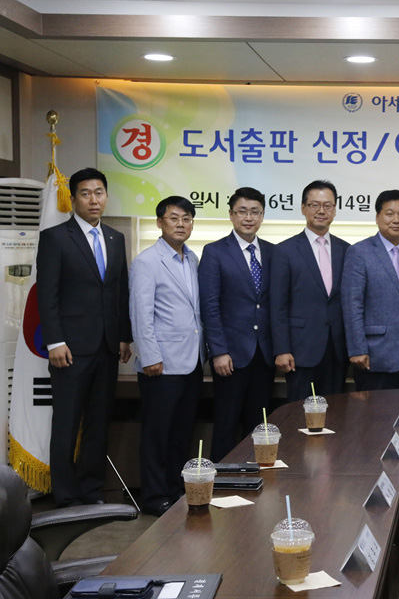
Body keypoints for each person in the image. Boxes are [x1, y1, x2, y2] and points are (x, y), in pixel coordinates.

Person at [36, 167, 132, 507]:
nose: (94, 200)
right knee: (66, 424)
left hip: (107, 347)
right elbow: (47, 295)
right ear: (74, 198)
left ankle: (92, 492)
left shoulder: (115, 238)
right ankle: (65, 496)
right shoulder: (56, 237)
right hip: (70, 349)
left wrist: (124, 336)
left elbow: (120, 291)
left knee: (98, 423)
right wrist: (55, 341)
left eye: (99, 192)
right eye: (86, 193)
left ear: (106, 196)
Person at [130, 196, 205, 516]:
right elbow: (140, 314)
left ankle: (175, 491)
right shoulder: (147, 261)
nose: (181, 224)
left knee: (181, 433)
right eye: (174, 218)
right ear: (160, 222)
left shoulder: (193, 259)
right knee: (157, 434)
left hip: (191, 361)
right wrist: (149, 356)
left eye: (187, 219)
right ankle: (154, 496)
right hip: (160, 364)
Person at [198, 187, 274, 462]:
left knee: (259, 426)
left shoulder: (273, 252)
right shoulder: (215, 252)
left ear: (262, 215)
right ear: (231, 215)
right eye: (242, 211)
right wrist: (218, 351)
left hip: (264, 355)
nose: (248, 218)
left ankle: (256, 477)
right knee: (226, 424)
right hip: (229, 356)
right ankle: (222, 480)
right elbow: (209, 306)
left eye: (255, 212)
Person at [342, 189, 399, 391]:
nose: (396, 220)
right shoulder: (359, 252)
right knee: (375, 411)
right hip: (375, 355)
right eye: (389, 213)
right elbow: (352, 305)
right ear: (377, 217)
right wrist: (357, 349)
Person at [271, 180, 349, 402]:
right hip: (300, 352)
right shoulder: (284, 251)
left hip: (337, 351)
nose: (321, 211)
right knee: (300, 413)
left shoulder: (347, 250)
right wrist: (282, 349)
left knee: (336, 413)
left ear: (335, 209)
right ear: (303, 208)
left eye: (327, 205)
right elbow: (278, 306)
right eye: (314, 205)